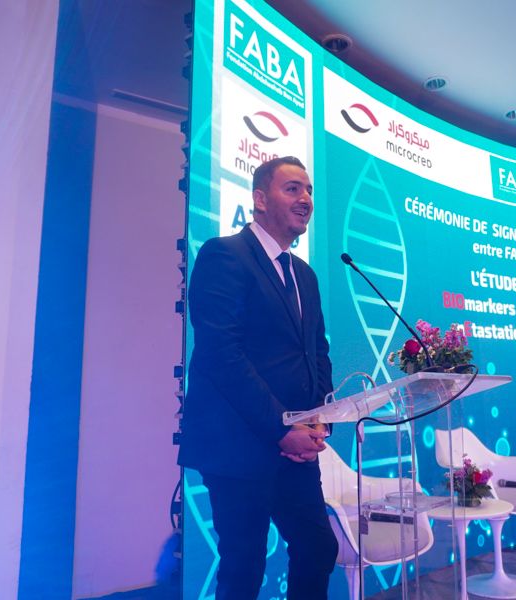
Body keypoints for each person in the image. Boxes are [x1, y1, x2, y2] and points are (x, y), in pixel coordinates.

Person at [179, 156, 338, 599]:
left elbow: (316, 352)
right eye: (293, 188)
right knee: (244, 567)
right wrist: (281, 428)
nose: (305, 199)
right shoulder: (224, 255)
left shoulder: (304, 274)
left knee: (317, 548)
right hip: (239, 444)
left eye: (309, 190)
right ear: (260, 199)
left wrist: (319, 418)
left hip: (295, 448)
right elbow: (221, 354)